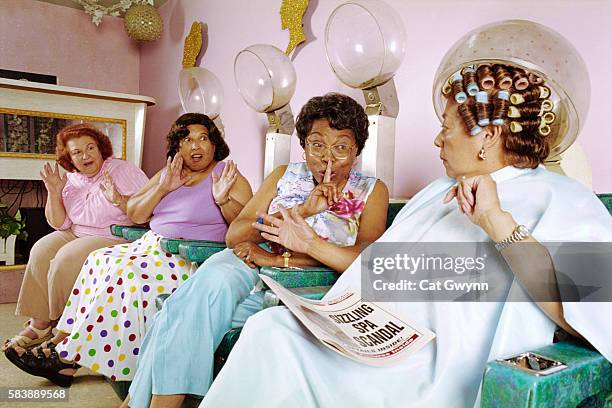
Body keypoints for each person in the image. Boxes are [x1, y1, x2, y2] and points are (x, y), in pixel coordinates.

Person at [200, 63, 612, 407]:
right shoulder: (437, 192)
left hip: (440, 372)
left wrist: (495, 221)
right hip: (368, 343)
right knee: (271, 330)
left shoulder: (562, 197)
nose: (437, 138)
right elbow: (378, 269)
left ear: (487, 137)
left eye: (446, 127)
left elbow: (591, 315)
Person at [123, 93, 390, 407]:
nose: (328, 159)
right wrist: (302, 210)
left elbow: (366, 261)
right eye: (317, 145)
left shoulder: (371, 191)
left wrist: (277, 258)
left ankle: (134, 404)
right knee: (205, 289)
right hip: (245, 261)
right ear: (303, 146)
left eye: (341, 147)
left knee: (178, 312)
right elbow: (235, 235)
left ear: (356, 151)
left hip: (301, 281)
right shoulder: (283, 176)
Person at [5, 113, 253, 388]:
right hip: (150, 245)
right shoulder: (168, 173)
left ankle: (67, 359)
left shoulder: (228, 174)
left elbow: (245, 228)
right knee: (99, 259)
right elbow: (135, 212)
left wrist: (223, 200)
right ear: (177, 146)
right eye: (187, 139)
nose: (195, 146)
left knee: (124, 273)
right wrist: (162, 187)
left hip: (187, 257)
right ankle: (62, 337)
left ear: (214, 143)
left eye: (203, 139)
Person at [2, 123, 149, 352]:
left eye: (90, 148)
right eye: (77, 152)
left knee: (65, 259)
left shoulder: (122, 170)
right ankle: (40, 323)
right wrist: (54, 192)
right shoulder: (72, 178)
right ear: (69, 157)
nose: (85, 155)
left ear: (101, 148)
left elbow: (146, 210)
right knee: (40, 250)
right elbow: (60, 223)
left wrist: (119, 197)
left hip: (113, 235)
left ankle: (64, 328)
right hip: (76, 231)